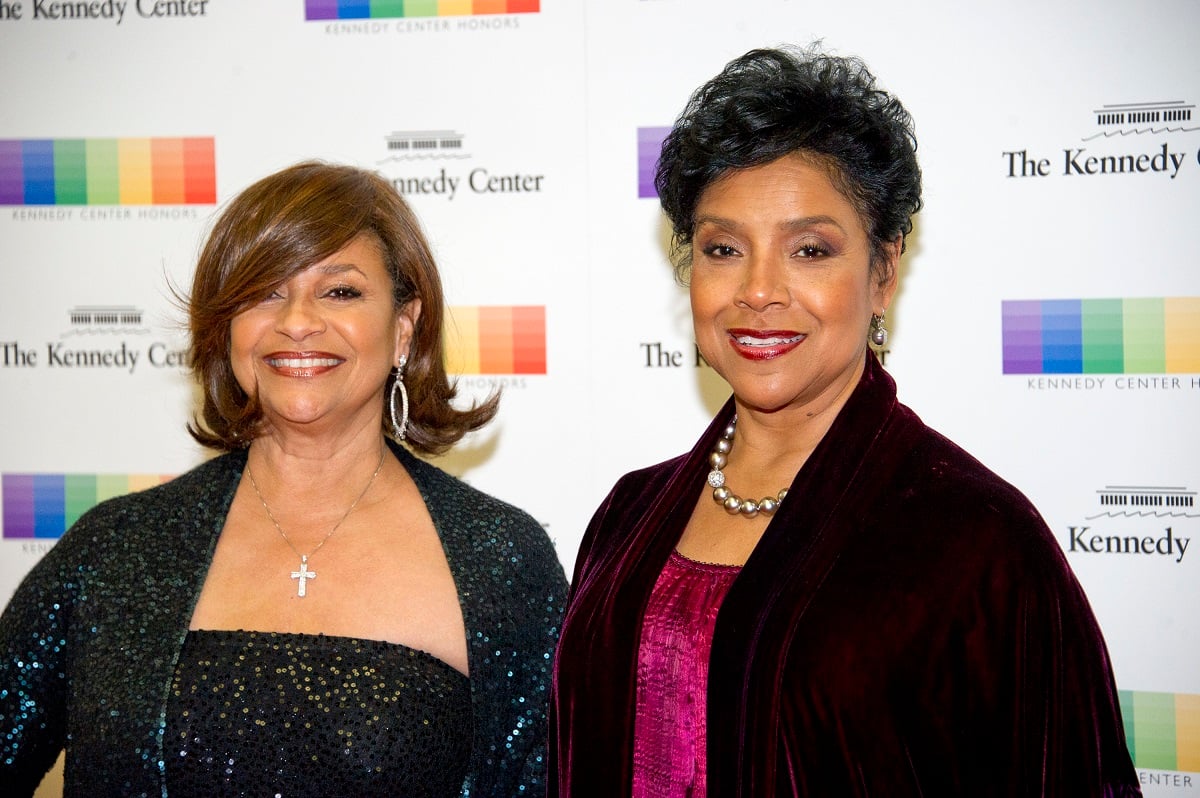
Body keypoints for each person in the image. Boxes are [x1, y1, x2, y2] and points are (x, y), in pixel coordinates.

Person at [548, 46, 1140, 796]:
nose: (759, 291)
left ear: (883, 272)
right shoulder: (627, 515)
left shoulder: (976, 541)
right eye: (723, 248)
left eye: (810, 250)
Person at [0, 161, 568, 797]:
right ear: (227, 328)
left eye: (340, 291)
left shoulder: (500, 560)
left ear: (403, 326)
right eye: (265, 290)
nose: (297, 321)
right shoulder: (118, 545)